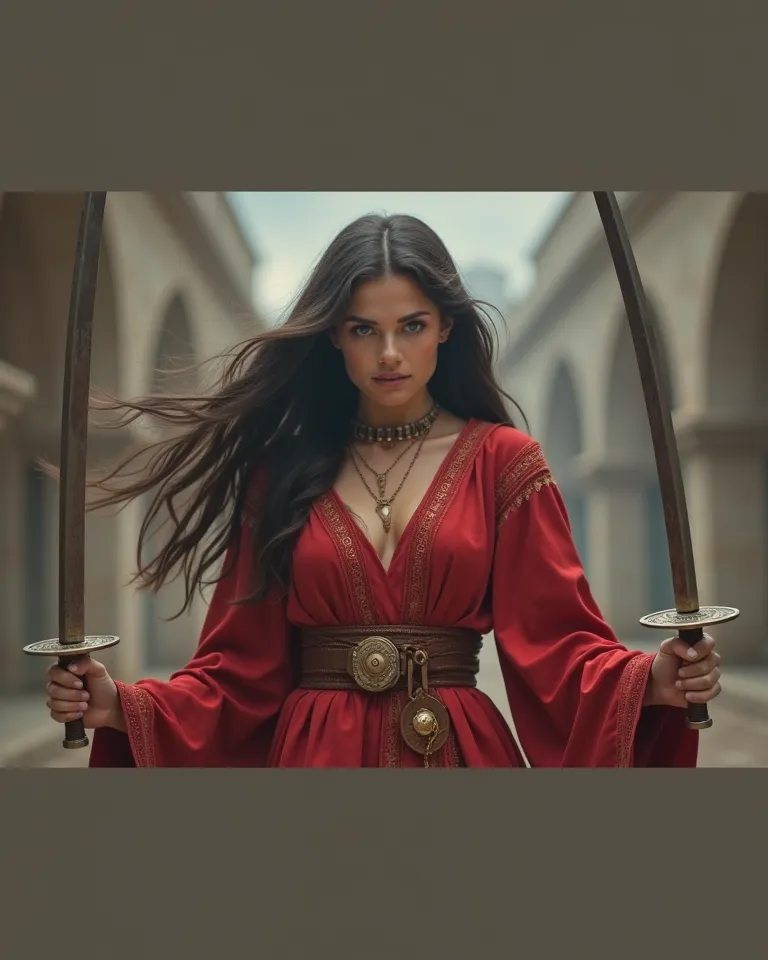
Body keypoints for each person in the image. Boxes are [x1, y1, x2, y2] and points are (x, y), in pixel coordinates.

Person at [43, 213, 721, 768]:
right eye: (365, 329)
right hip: (313, 757)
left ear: (446, 327)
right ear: (335, 335)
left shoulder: (505, 463)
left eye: (412, 326)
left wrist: (652, 681)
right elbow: (237, 671)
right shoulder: (280, 475)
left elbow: (560, 644)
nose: (389, 352)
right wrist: (120, 706)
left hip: (457, 752)